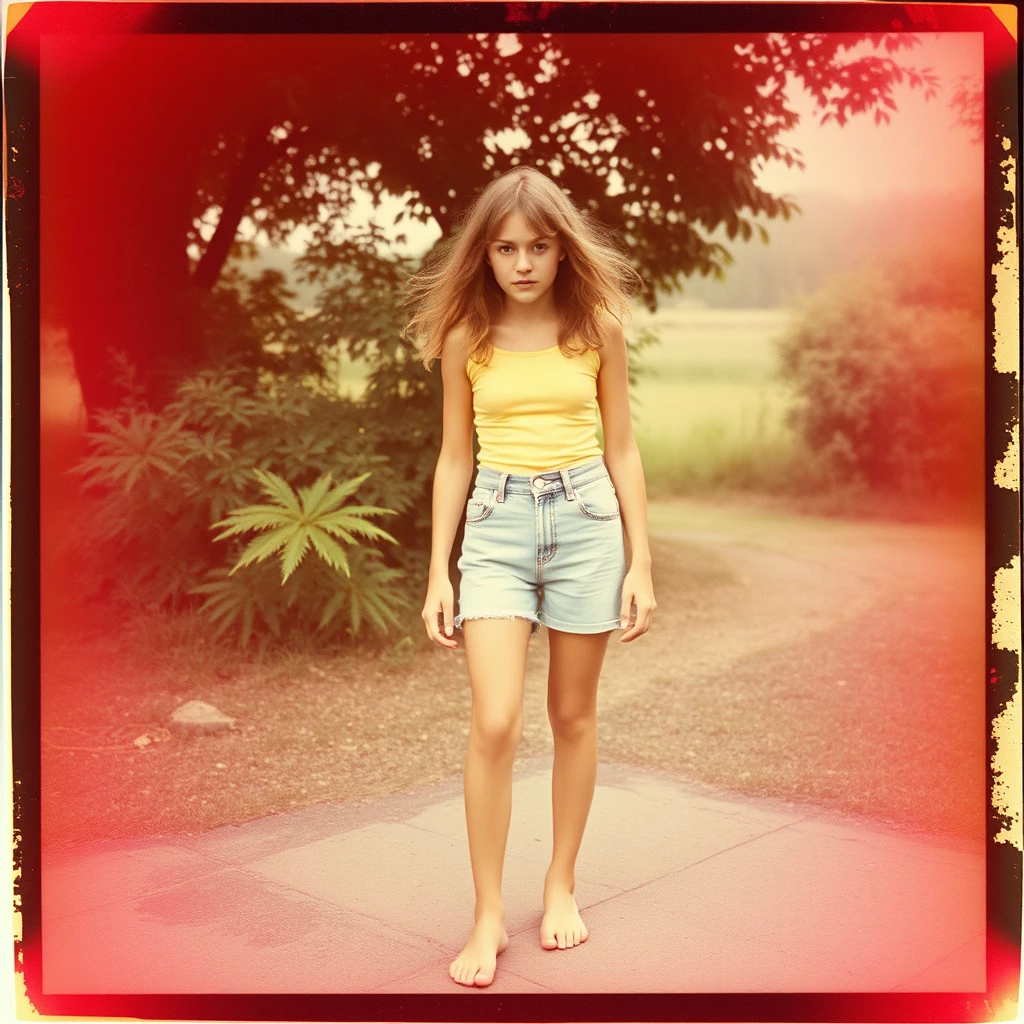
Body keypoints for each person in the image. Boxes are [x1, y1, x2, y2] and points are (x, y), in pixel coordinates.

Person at [404, 166, 657, 988]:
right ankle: (486, 915)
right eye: (506, 247)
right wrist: (438, 571)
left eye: (538, 246)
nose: (521, 262)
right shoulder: (464, 341)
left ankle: (559, 885)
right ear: (485, 253)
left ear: (560, 250)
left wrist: (640, 562)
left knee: (573, 714)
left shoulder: (598, 331)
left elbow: (622, 448)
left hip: (586, 526)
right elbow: (454, 458)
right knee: (497, 720)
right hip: (497, 529)